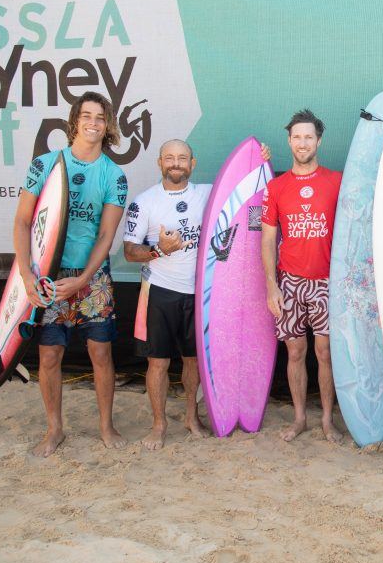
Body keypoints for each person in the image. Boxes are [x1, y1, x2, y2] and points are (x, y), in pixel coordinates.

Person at [122, 139, 270, 449]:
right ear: (160, 163)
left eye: (182, 158)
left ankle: (192, 416)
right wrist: (158, 249)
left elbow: (250, 194)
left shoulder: (208, 195)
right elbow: (129, 252)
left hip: (201, 295)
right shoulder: (144, 202)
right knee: (158, 363)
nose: (176, 163)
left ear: (193, 163)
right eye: (169, 158)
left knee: (194, 361)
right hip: (159, 292)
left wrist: (261, 161)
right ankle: (159, 424)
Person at [15, 91, 128, 457]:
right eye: (87, 115)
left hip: (91, 278)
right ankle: (54, 429)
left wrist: (83, 280)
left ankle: (106, 425)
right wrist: (27, 277)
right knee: (49, 356)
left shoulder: (114, 175)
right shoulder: (45, 164)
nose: (93, 123)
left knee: (101, 352)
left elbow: (107, 235)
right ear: (74, 121)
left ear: (107, 125)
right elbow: (22, 221)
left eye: (100, 117)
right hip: (47, 274)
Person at [262, 109, 343, 443]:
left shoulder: (336, 181)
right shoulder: (276, 186)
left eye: (309, 136)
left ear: (319, 140)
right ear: (289, 141)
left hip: (326, 281)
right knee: (295, 353)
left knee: (325, 353)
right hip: (290, 283)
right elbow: (268, 239)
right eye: (297, 136)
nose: (303, 142)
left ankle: (326, 419)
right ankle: (299, 419)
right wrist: (271, 287)